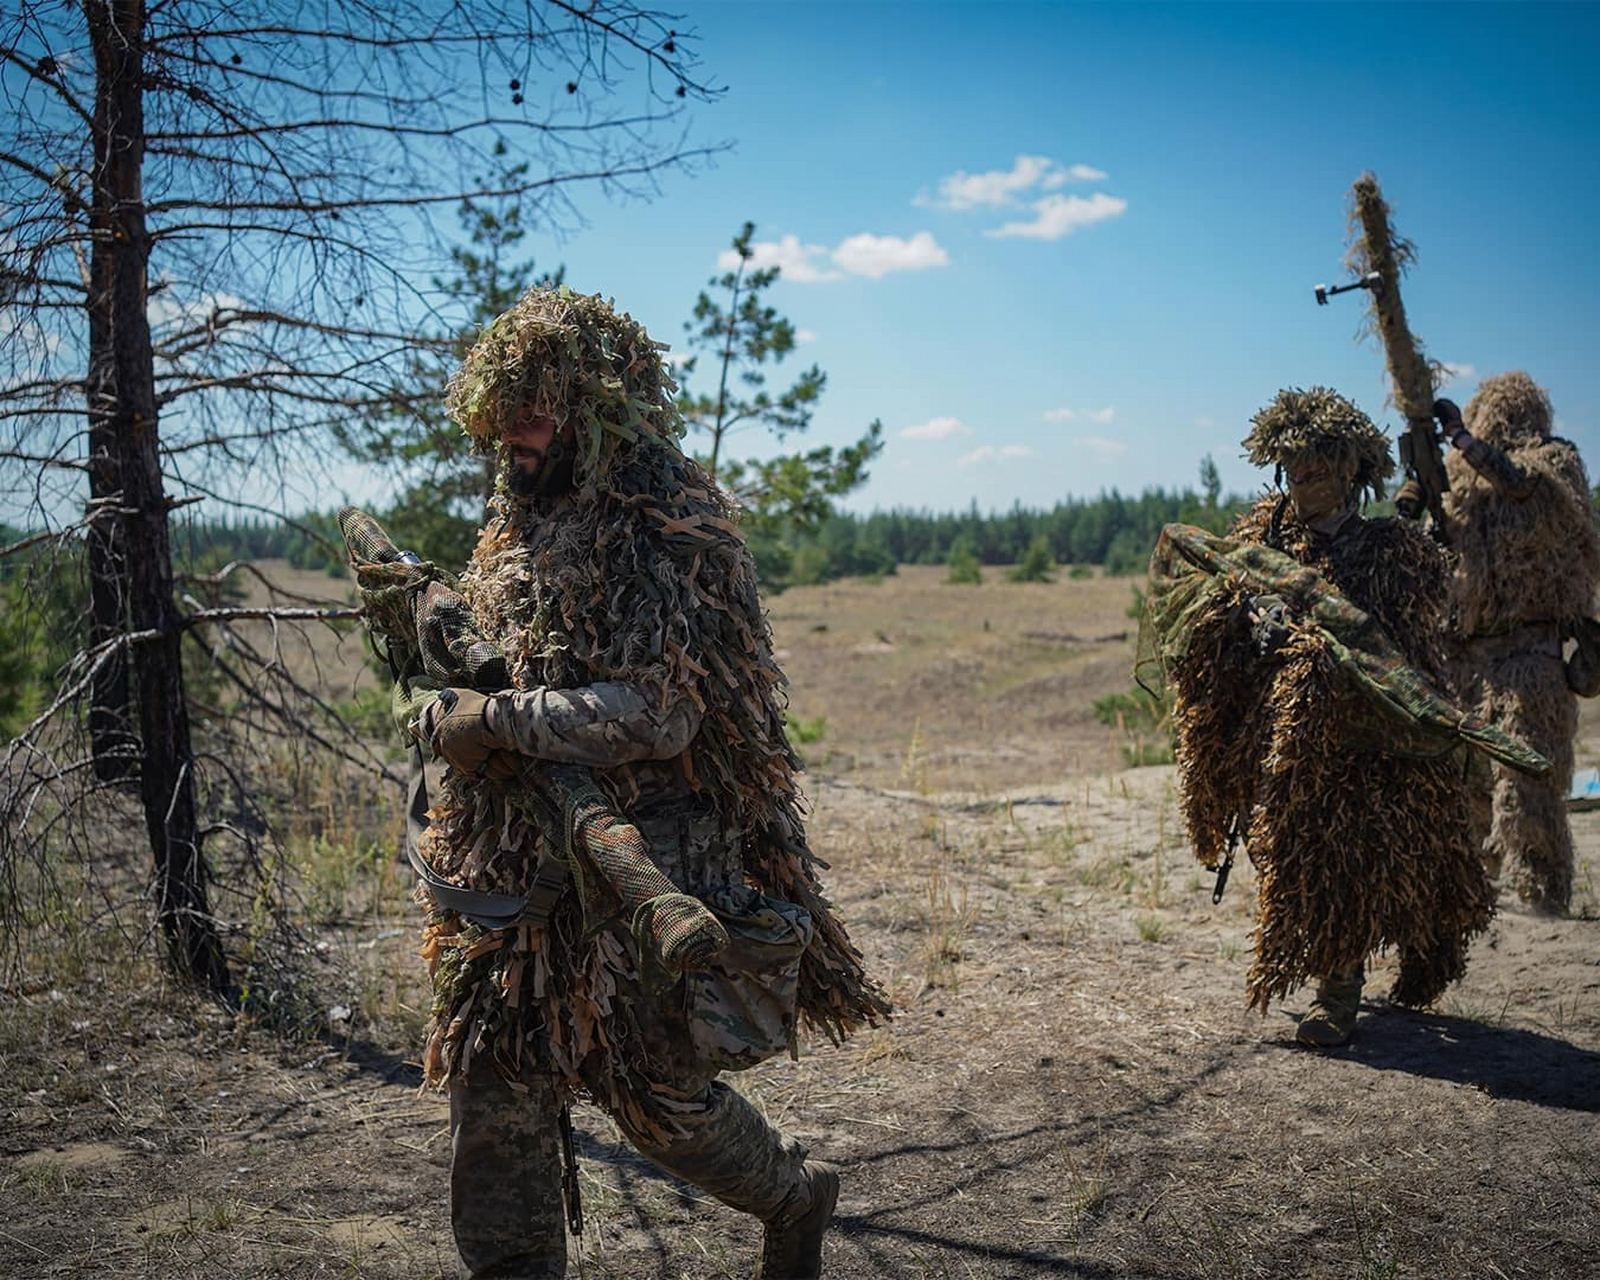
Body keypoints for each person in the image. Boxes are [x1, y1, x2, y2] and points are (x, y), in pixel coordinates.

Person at [401, 286, 889, 1277]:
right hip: (528, 861)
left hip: (663, 856)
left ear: (595, 409)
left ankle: (793, 1196)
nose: (512, 433)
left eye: (533, 409)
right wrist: (444, 713)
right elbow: (496, 663)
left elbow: (660, 713)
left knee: (655, 1095)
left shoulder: (672, 523)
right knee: (499, 1065)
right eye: (504, 410)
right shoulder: (520, 513)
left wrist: (495, 721)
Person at [1139, 387, 1509, 1048]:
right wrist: (1249, 616)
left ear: (1346, 468)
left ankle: (1341, 995)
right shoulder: (1265, 537)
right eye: (1290, 465)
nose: (1298, 475)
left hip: (1370, 730)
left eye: (1314, 463)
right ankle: (1336, 977)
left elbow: (1408, 637)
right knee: (1293, 854)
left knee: (1367, 855)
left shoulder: (1388, 548)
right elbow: (1216, 591)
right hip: (1284, 730)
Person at [1435, 372, 1600, 914]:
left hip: (1532, 655)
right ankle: (1477, 891)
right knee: (1470, 782)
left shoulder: (1554, 462)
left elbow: (1522, 482)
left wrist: (1464, 441)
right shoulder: (1463, 481)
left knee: (1528, 782)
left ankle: (1543, 895)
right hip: (1470, 656)